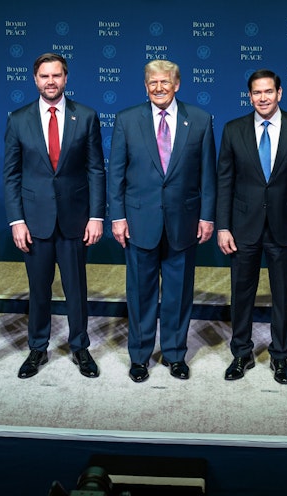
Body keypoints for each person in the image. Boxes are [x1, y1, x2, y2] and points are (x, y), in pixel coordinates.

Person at [109, 59, 216, 382]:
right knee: (140, 295)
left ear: (177, 85)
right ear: (145, 86)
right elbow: (116, 174)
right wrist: (118, 217)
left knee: (178, 295)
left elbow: (208, 175)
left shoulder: (200, 120)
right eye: (153, 83)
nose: (159, 88)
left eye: (165, 82)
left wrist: (207, 216)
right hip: (139, 222)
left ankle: (174, 354)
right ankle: (140, 357)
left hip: (184, 223)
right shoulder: (127, 120)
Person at [3, 53, 106, 379]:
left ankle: (80, 347)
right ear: (35, 79)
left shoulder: (86, 116)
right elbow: (11, 175)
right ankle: (37, 347)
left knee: (76, 289)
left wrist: (96, 216)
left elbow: (96, 169)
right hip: (34, 222)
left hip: (75, 219)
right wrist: (17, 220)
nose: (51, 81)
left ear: (66, 78)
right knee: (38, 289)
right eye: (45, 76)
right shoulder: (18, 119)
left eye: (56, 75)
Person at [216, 69, 287, 385]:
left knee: (282, 295)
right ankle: (241, 353)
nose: (263, 98)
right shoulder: (233, 129)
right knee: (241, 293)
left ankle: (280, 356)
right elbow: (224, 181)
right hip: (243, 226)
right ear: (249, 96)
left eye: (268, 91)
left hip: (286, 225)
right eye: (257, 92)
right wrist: (223, 226)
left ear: (279, 93)